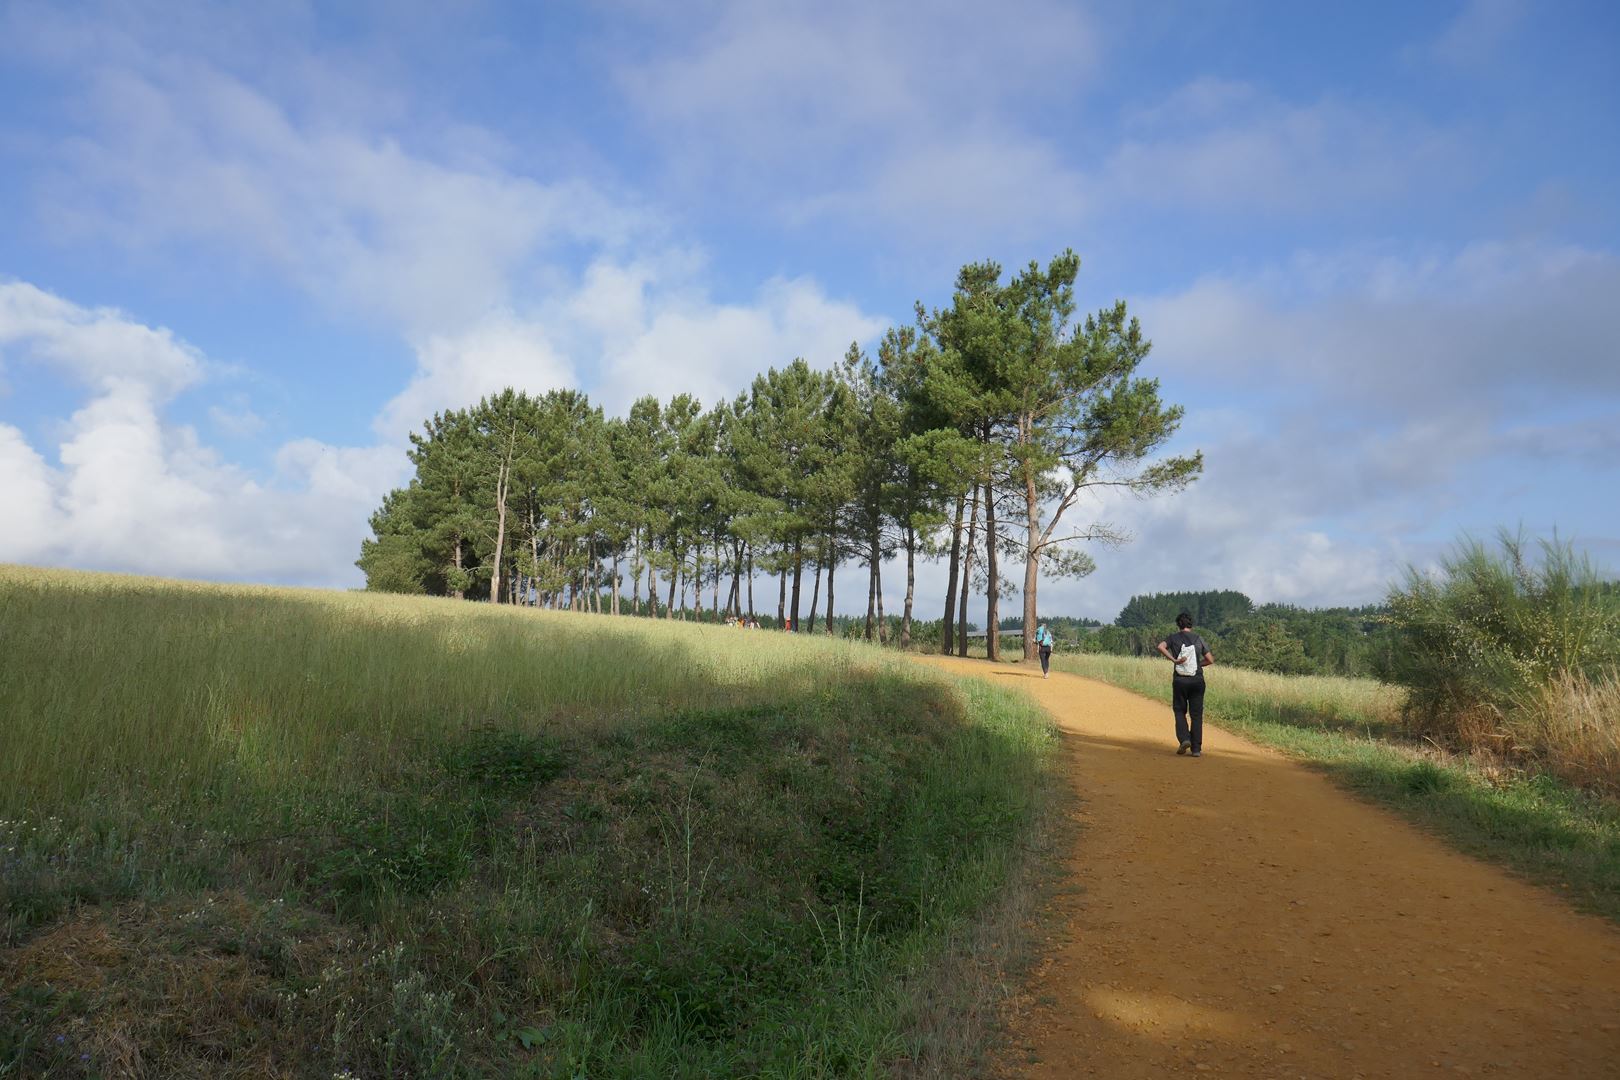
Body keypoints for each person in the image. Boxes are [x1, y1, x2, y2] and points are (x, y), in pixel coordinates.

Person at [1155, 611, 1215, 757]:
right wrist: (1197, 664)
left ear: (1178, 624)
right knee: (1196, 715)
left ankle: (1184, 739)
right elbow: (1210, 659)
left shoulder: (1173, 638)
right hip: (1197, 681)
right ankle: (1196, 749)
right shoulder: (1198, 639)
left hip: (1180, 681)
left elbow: (1160, 646)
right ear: (1191, 624)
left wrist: (1174, 661)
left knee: (1180, 711)